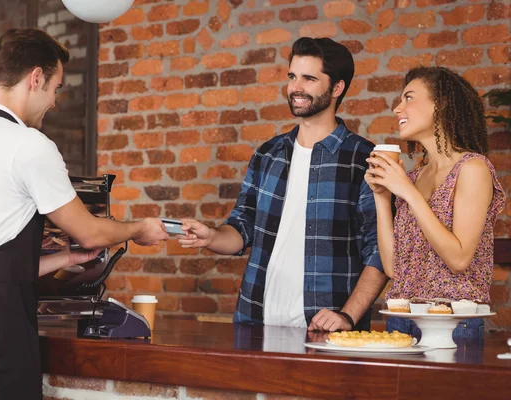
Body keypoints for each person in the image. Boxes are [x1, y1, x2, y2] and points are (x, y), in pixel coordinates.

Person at [0, 28, 169, 400]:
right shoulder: (27, 145)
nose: (54, 102)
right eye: (55, 88)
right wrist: (138, 229)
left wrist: (64, 258)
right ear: (35, 78)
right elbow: (89, 231)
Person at [178, 37, 387, 332]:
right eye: (292, 76)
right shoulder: (268, 153)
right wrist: (210, 237)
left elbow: (380, 251)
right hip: (255, 320)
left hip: (327, 330)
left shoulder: (364, 159)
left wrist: (348, 316)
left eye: (309, 78)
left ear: (337, 88)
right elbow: (243, 226)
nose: (295, 87)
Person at [365, 66, 506, 340]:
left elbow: (459, 258)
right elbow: (395, 268)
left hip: (451, 323)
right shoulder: (415, 177)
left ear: (440, 104)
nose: (397, 108)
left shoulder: (472, 168)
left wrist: (407, 191)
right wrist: (382, 198)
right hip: (401, 318)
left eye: (408, 98)